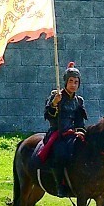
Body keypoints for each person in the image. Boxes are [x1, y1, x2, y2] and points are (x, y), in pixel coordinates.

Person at [37, 62, 88, 197]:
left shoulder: (79, 100)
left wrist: (80, 131)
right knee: (60, 154)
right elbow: (48, 116)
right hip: (57, 133)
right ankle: (60, 185)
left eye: (76, 82)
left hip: (72, 134)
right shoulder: (56, 96)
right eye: (70, 81)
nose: (73, 84)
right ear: (65, 82)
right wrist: (54, 103)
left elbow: (79, 121)